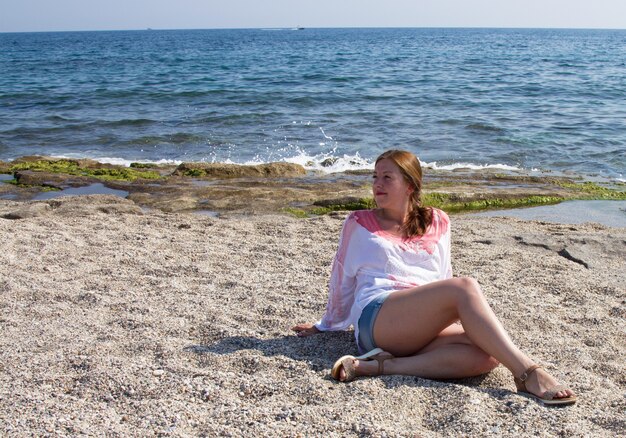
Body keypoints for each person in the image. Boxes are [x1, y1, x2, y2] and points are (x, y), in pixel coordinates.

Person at [292, 149, 576, 406]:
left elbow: (442, 275)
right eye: (375, 176)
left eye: (387, 177)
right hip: (377, 317)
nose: (377, 184)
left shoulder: (438, 220)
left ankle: (378, 367)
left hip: (419, 321)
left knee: (488, 354)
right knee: (465, 287)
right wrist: (327, 324)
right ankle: (528, 373)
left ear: (410, 186)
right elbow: (342, 277)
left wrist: (448, 320)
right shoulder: (359, 222)